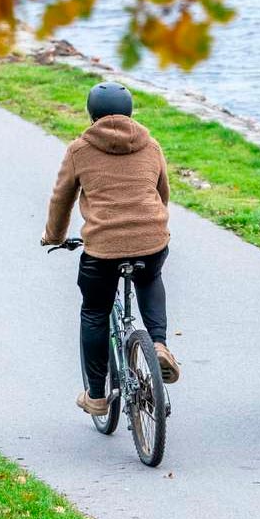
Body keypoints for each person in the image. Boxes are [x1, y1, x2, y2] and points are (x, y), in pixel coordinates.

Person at [42, 81, 179, 416]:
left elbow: (62, 199)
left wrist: (55, 235)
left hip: (103, 247)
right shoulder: (151, 145)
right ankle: (158, 344)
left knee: (94, 310)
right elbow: (162, 193)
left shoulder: (79, 150)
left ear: (92, 114)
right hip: (151, 238)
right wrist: (151, 225)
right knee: (149, 278)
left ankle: (96, 395)